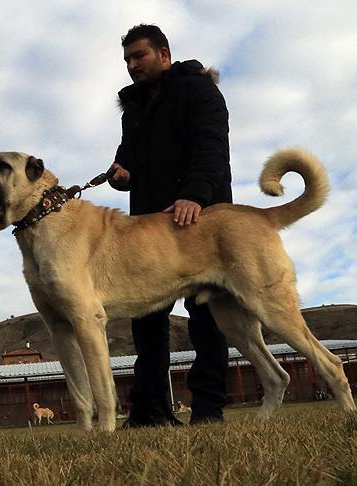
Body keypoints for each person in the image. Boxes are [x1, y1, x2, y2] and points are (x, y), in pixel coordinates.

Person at [109, 24, 231, 426]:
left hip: (199, 222)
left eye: (138, 56)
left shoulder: (198, 90)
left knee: (206, 318)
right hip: (148, 228)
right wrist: (120, 171)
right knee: (146, 320)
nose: (131, 66)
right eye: (127, 59)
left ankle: (208, 410)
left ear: (164, 55)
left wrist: (194, 195)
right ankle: (149, 410)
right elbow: (127, 155)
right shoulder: (135, 107)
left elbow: (211, 146)